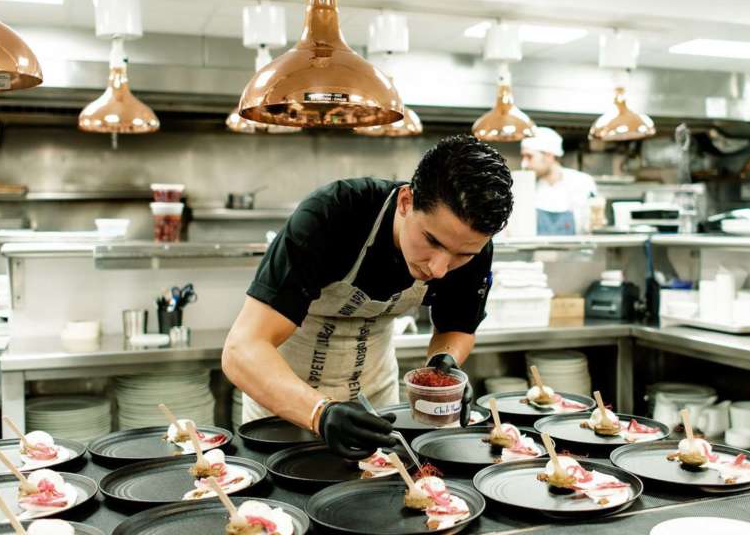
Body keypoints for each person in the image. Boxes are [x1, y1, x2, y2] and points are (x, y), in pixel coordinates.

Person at [222, 134, 514, 459]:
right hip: (286, 401)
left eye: (462, 254)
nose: (440, 268)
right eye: (431, 241)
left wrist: (442, 366)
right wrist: (320, 412)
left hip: (375, 403)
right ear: (406, 201)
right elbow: (241, 349)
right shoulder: (331, 215)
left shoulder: (473, 243)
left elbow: (458, 325)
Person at [520, 126, 598, 235]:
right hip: (537, 251)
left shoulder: (583, 182)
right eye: (523, 157)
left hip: (574, 251)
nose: (524, 164)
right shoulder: (524, 188)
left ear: (549, 156)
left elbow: (593, 226)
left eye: (529, 156)